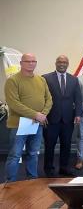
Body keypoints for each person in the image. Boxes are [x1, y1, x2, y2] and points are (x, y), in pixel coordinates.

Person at [4, 53, 52, 182]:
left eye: (33, 61)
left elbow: (49, 99)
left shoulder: (41, 80)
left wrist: (43, 115)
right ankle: (10, 183)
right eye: (28, 61)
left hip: (37, 123)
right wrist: (36, 114)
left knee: (33, 153)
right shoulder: (12, 81)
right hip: (19, 124)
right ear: (21, 63)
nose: (31, 63)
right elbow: (14, 104)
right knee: (15, 155)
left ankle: (32, 180)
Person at [42, 55, 82, 177]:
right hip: (50, 119)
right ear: (55, 63)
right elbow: (42, 98)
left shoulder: (74, 79)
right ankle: (48, 169)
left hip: (68, 119)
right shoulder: (45, 78)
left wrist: (78, 114)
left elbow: (78, 98)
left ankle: (64, 168)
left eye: (64, 62)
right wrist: (43, 114)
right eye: (59, 61)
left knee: (66, 145)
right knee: (49, 145)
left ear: (68, 64)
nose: (62, 64)